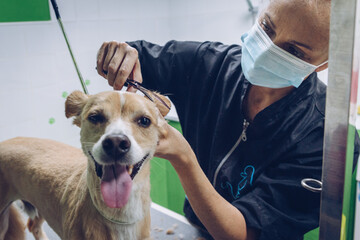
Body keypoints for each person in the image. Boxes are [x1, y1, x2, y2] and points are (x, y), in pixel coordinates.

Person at [96, 0, 359, 239]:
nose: (268, 49)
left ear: (323, 64)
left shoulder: (325, 136)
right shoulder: (210, 64)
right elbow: (140, 58)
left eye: (294, 51)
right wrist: (119, 55)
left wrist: (184, 157)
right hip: (197, 228)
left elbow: (245, 232)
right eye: (267, 27)